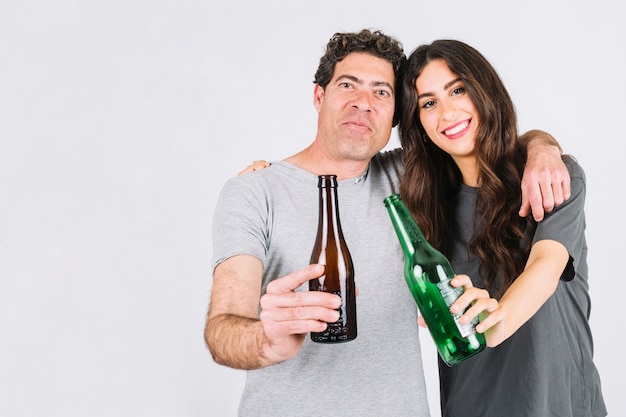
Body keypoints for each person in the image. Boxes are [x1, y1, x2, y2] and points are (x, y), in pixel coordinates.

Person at [205, 29, 569, 417]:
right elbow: (222, 329)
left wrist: (542, 147)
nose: (363, 103)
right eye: (348, 85)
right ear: (319, 96)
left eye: (381, 92)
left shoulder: (410, 178)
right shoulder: (254, 192)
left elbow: (482, 136)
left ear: (397, 115)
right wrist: (267, 339)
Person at [398, 39, 606, 417]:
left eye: (457, 89)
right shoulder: (424, 208)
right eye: (429, 103)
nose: (447, 112)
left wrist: (497, 317)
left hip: (561, 406)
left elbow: (546, 265)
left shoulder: (552, 179)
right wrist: (263, 177)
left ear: (484, 89)